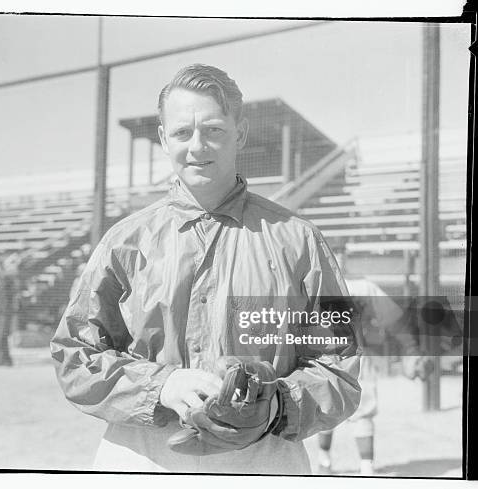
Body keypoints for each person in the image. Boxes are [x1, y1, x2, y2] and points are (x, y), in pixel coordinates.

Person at [51, 64, 362, 474]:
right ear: (164, 138)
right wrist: (160, 385)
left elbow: (339, 367)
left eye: (213, 129)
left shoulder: (300, 241)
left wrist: (275, 406)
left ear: (240, 134)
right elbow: (75, 354)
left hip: (264, 458)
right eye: (182, 132)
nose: (198, 146)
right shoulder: (124, 241)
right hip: (144, 456)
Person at [317, 251, 433, 475]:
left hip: (354, 357)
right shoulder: (319, 285)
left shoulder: (360, 287)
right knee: (326, 407)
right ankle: (326, 461)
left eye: (339, 254)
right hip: (328, 356)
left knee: (356, 408)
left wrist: (412, 349)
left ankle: (365, 468)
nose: (337, 259)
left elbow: (394, 320)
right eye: (334, 254)